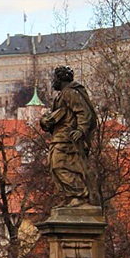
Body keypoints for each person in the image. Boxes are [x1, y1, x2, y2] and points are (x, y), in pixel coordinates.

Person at [38, 65, 98, 206]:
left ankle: (79, 195)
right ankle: (71, 196)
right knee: (54, 165)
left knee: (59, 165)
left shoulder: (70, 93)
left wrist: (81, 129)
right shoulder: (61, 95)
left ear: (61, 78)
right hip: (60, 136)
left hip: (68, 137)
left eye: (55, 78)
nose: (53, 82)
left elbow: (84, 112)